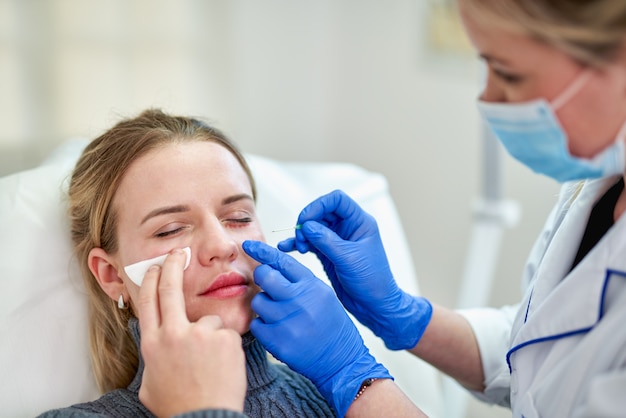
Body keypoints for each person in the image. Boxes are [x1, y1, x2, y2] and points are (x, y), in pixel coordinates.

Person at [242, 1, 626, 417]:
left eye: (509, 73)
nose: (488, 98)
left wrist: (351, 375)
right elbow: (539, 352)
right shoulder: (601, 184)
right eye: (171, 228)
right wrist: (401, 314)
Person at [39, 109, 338, 417]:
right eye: (171, 229)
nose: (221, 245)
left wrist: (360, 374)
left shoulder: (336, 394)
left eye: (239, 217)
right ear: (112, 275)